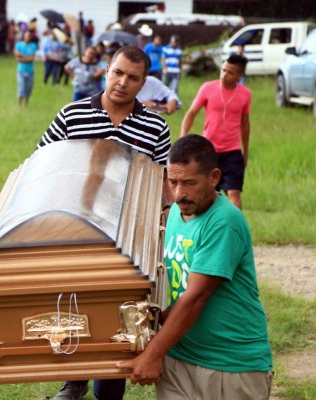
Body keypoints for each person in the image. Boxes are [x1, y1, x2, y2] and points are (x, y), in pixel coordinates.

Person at [38, 45, 174, 400]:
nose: (122, 83)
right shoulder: (72, 114)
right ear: (105, 70)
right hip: (77, 228)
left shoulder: (156, 126)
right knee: (75, 303)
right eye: (118, 73)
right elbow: (43, 167)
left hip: (132, 232)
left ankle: (109, 387)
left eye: (133, 78)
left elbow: (164, 182)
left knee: (120, 309)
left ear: (144, 83)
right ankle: (74, 378)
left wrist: (165, 221)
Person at [117, 134, 273, 400]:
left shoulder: (224, 222)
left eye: (189, 183)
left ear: (214, 177)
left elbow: (197, 296)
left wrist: (153, 354)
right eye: (173, 181)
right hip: (180, 356)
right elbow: (180, 290)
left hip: (230, 366)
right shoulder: (178, 211)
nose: (179, 194)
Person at [180, 54, 250, 210]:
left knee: (234, 194)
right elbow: (191, 113)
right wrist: (182, 139)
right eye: (223, 70)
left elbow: (245, 124)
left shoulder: (245, 94)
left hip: (233, 152)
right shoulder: (208, 88)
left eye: (230, 72)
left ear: (240, 75)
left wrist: (245, 153)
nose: (224, 75)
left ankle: (234, 231)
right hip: (209, 152)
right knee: (208, 195)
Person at [14, 30, 38, 106]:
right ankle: (19, 105)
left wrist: (22, 57)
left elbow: (31, 59)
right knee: (21, 88)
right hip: (21, 70)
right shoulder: (18, 45)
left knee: (28, 88)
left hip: (30, 71)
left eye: (29, 36)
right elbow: (17, 57)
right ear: (24, 36)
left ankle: (26, 104)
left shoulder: (33, 45)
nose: (27, 37)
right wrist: (27, 58)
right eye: (26, 35)